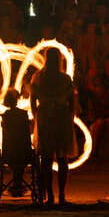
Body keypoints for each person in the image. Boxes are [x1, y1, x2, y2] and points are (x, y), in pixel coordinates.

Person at [30, 48, 77, 205]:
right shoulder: (64, 79)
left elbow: (32, 103)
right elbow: (72, 103)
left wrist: (39, 117)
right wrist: (68, 118)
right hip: (60, 118)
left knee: (47, 159)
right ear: (59, 59)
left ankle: (50, 196)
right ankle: (62, 196)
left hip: (45, 119)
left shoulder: (37, 78)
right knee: (62, 158)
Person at [1, 89, 33, 197]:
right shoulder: (23, 114)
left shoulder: (4, 116)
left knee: (15, 162)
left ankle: (16, 184)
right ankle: (18, 184)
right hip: (24, 153)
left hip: (8, 153)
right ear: (17, 100)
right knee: (20, 163)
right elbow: (27, 133)